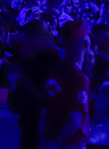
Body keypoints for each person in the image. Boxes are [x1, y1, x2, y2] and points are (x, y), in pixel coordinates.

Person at [42, 20, 91, 149]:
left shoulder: (53, 72)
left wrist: (45, 142)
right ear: (85, 44)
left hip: (49, 141)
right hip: (69, 143)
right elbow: (74, 122)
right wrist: (56, 145)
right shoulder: (79, 78)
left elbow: (44, 112)